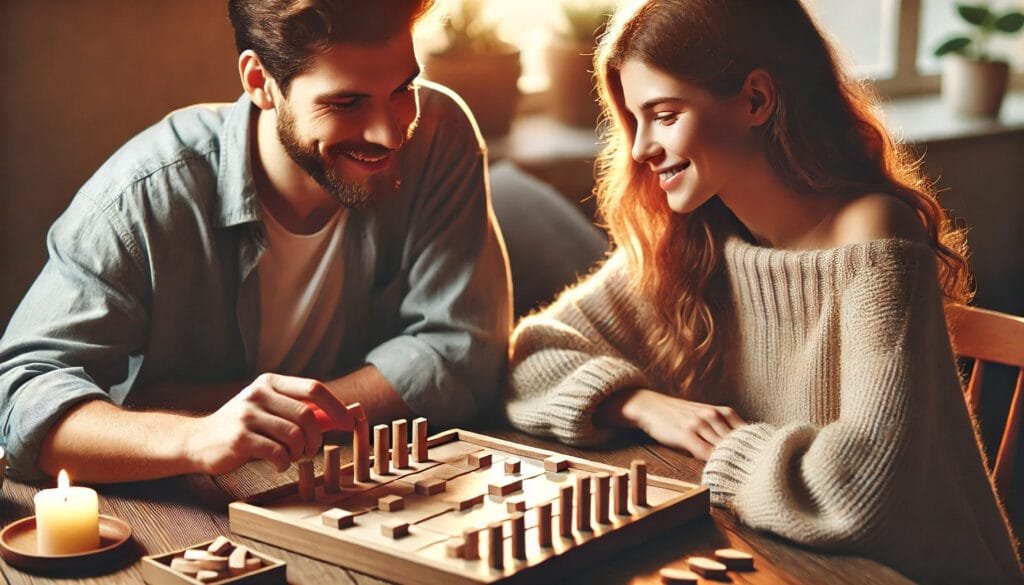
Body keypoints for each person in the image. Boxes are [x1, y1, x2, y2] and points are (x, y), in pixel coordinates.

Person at [503, 0, 1021, 582]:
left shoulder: (875, 234)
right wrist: (647, 407)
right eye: (635, 119)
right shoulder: (700, 239)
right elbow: (533, 356)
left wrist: (722, 452)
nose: (642, 149)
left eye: (665, 115)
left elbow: (865, 487)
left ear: (756, 99)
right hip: (777, 561)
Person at [0, 0, 511, 484]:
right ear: (260, 82)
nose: (389, 135)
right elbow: (21, 397)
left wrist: (260, 411)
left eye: (403, 89)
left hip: (350, 483)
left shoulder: (440, 134)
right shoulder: (143, 196)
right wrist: (198, 435)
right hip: (187, 501)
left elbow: (464, 354)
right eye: (347, 102)